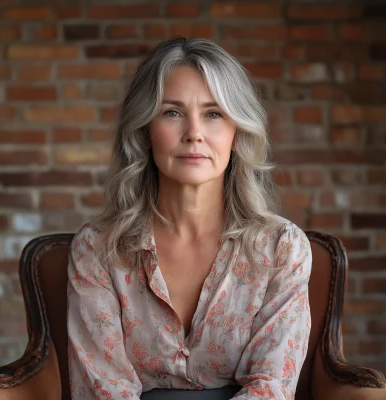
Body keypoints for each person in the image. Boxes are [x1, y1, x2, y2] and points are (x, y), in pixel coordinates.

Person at [67, 37, 312, 400]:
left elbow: (271, 388)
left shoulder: (281, 248)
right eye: (172, 112)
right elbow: (104, 390)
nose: (194, 133)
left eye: (214, 114)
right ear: (145, 131)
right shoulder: (97, 248)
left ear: (237, 131)